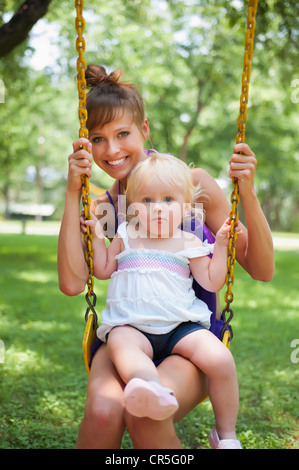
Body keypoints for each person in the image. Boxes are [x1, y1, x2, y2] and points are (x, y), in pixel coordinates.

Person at [57, 65, 274, 449]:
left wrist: (249, 194)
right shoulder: (106, 207)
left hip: (188, 335)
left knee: (143, 417)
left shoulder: (194, 186)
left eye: (123, 133)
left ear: (144, 129)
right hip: (128, 333)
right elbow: (74, 283)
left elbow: (261, 268)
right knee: (106, 410)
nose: (112, 150)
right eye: (98, 139)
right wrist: (73, 193)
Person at [84, 151, 242, 448]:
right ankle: (151, 391)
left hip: (181, 326)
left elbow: (210, 279)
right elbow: (104, 270)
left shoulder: (189, 241)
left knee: (222, 359)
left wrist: (221, 247)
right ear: (133, 206)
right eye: (147, 200)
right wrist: (94, 236)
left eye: (168, 200)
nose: (158, 208)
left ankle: (226, 434)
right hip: (131, 325)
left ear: (186, 207)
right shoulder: (126, 233)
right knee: (123, 346)